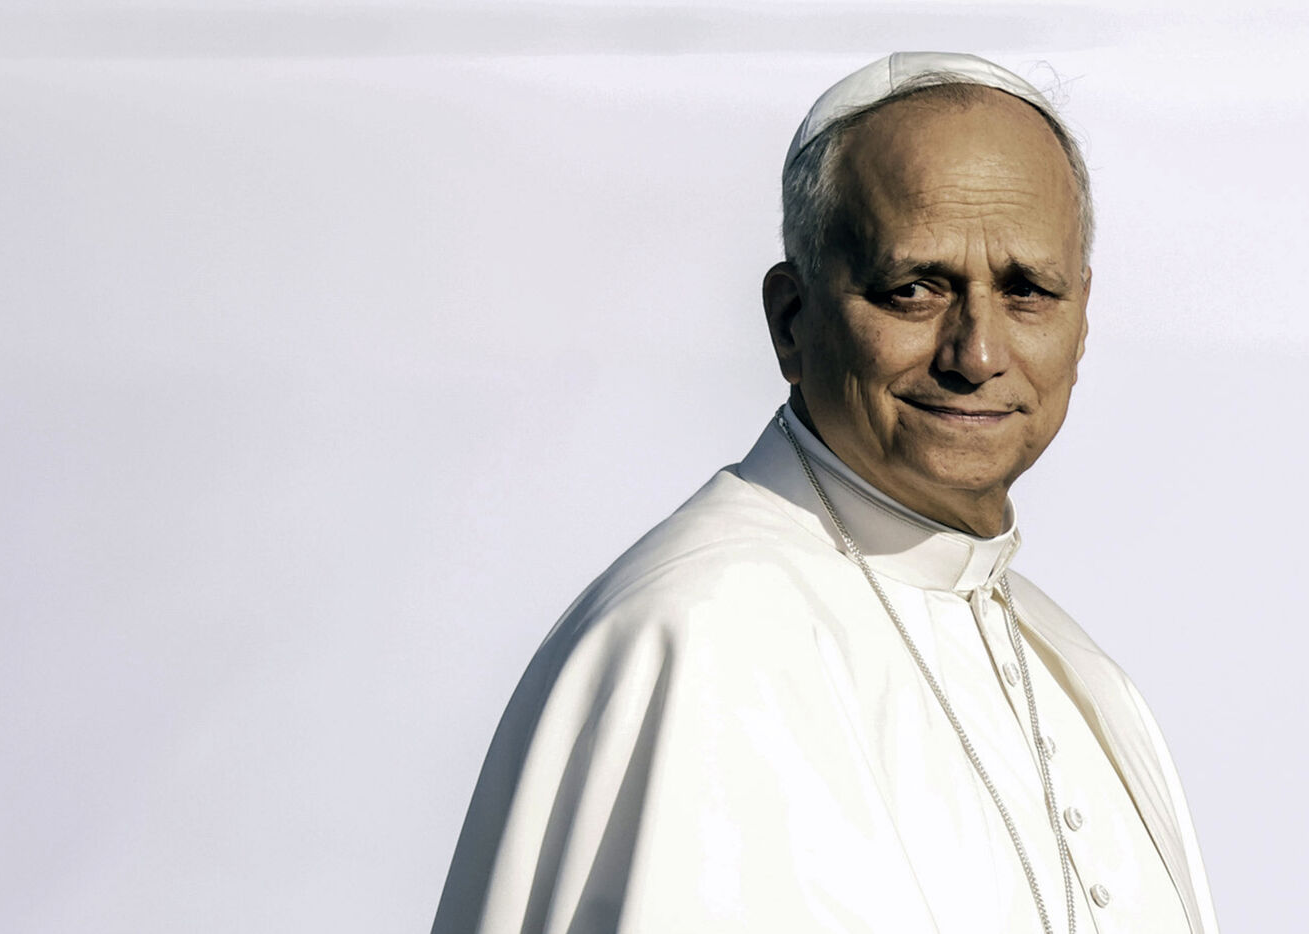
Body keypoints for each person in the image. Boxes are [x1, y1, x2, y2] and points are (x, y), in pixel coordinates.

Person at [432, 51, 1218, 934]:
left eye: (1027, 291)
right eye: (913, 290)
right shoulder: (691, 638)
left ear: (1081, 321)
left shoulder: (1080, 674)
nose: (976, 354)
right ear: (791, 321)